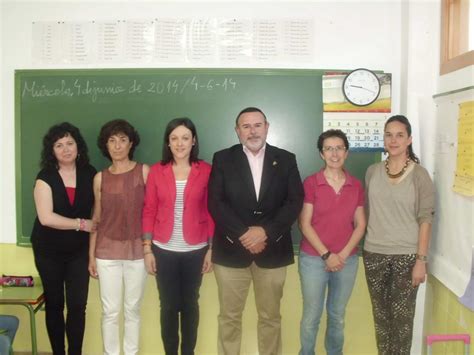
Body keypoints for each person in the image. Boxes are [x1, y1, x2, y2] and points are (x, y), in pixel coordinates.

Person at [208, 107, 304, 355]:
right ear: (237, 130)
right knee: (229, 317)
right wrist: (244, 234)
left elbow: (294, 202)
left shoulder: (286, 159)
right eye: (246, 126)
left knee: (271, 318)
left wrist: (265, 232)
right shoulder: (222, 158)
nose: (252, 131)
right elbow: (215, 203)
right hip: (230, 251)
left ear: (267, 127)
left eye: (257, 125)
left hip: (273, 250)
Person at [363, 115, 435, 355]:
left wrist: (421, 261)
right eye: (388, 134)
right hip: (374, 254)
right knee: (381, 319)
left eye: (399, 135)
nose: (393, 140)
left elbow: (426, 218)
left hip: (407, 256)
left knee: (402, 322)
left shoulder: (420, 175)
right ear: (383, 139)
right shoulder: (372, 171)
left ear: (409, 139)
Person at [142, 117, 214, 355]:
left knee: (190, 304)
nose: (180, 143)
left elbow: (212, 210)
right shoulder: (156, 171)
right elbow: (149, 210)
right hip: (164, 249)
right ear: (168, 142)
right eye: (174, 138)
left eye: (185, 138)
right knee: (169, 306)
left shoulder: (206, 170)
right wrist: (147, 248)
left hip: (196, 249)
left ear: (193, 141)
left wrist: (212, 249)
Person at [298, 129, 366, 355]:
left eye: (339, 148)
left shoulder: (355, 185)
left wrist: (342, 255)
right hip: (313, 260)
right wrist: (327, 255)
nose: (334, 153)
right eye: (329, 149)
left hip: (347, 261)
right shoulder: (311, 183)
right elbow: (304, 224)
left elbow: (361, 224)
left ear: (346, 152)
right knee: (311, 316)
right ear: (321, 154)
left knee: (337, 316)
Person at [31, 122, 96, 355]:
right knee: (55, 305)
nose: (66, 149)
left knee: (78, 306)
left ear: (79, 147)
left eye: (70, 143)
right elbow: (46, 218)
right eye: (59, 145)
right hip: (48, 251)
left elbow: (99, 211)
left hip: (79, 251)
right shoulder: (45, 177)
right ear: (52, 150)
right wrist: (81, 224)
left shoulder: (91, 173)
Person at [88, 119, 149, 355]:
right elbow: (97, 219)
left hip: (137, 251)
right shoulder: (100, 178)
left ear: (131, 143)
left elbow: (152, 211)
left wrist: (149, 247)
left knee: (132, 309)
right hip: (106, 252)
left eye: (122, 139)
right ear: (106, 145)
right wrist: (91, 255)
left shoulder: (144, 171)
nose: (117, 145)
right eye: (112, 140)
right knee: (110, 311)